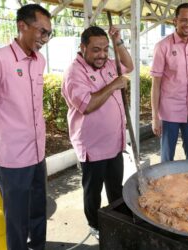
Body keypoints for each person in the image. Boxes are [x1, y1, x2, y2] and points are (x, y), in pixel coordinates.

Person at [0, 4, 52, 250]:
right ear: (22, 26)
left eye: (48, 34)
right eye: (42, 32)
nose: (45, 39)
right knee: (16, 220)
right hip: (11, 158)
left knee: (38, 212)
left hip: (37, 153)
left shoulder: (39, 60)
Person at [61, 26, 133, 238]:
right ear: (83, 47)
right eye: (95, 50)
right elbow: (88, 105)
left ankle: (119, 218)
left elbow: (128, 65)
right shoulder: (74, 73)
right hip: (92, 144)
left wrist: (118, 41)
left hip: (114, 141)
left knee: (115, 186)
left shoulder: (109, 64)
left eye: (105, 49)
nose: (102, 54)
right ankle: (95, 224)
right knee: (93, 191)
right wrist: (114, 85)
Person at [150, 3, 188, 162]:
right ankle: (164, 185)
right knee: (166, 158)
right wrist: (155, 116)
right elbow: (156, 84)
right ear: (175, 21)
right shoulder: (162, 46)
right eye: (184, 20)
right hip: (169, 112)